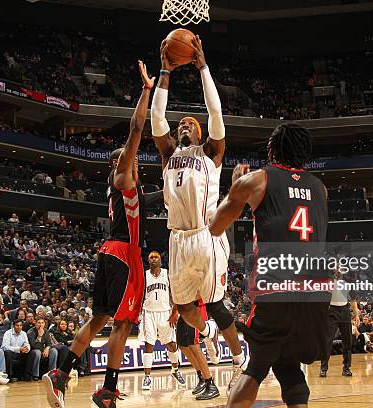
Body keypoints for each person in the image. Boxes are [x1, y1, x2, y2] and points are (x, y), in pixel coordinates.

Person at [44, 60, 156, 408]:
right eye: (131, 159)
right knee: (122, 324)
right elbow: (137, 128)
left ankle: (61, 373)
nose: (136, 161)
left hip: (114, 252)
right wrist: (146, 92)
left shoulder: (126, 189)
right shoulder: (122, 177)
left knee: (100, 320)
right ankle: (105, 389)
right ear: (120, 164)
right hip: (123, 254)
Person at [209, 123, 331, 408]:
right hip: (316, 291)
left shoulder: (258, 179)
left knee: (256, 365)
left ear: (273, 150)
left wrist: (234, 186)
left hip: (277, 284)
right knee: (287, 363)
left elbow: (216, 226)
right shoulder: (320, 187)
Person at [150, 35, 246, 394]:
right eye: (180, 126)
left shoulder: (212, 153)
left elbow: (216, 112)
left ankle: (239, 357)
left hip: (208, 235)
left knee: (217, 303)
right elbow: (157, 116)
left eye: (189, 123)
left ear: (201, 131)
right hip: (177, 238)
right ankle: (207, 334)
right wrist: (164, 71)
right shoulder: (168, 153)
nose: (183, 126)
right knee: (184, 305)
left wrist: (202, 66)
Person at [138, 251, 185, 390]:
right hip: (149, 313)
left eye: (156, 257)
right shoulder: (144, 275)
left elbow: (174, 294)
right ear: (148, 260)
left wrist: (175, 311)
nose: (153, 259)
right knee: (149, 345)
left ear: (160, 259)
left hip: (166, 312)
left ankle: (175, 370)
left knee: (171, 343)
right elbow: (140, 295)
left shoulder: (167, 274)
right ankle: (147, 377)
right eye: (151, 257)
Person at [176, 302, 220, 400]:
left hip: (195, 308)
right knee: (183, 345)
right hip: (183, 309)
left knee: (194, 346)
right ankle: (202, 377)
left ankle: (211, 385)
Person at [319, 269, 354, 377]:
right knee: (328, 341)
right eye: (337, 272)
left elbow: (350, 299)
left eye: (340, 272)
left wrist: (356, 314)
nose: (339, 273)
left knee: (347, 341)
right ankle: (323, 368)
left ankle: (346, 368)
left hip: (345, 311)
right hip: (332, 311)